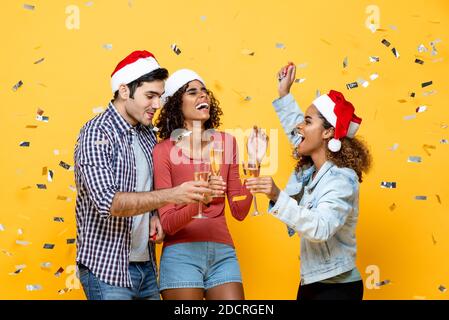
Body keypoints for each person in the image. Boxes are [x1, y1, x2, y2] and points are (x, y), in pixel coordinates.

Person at [74, 51, 211, 300]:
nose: (157, 105)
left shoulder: (148, 133)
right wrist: (171, 196)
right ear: (125, 91)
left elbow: (160, 174)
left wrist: (156, 215)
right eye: (150, 96)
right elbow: (109, 202)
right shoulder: (96, 133)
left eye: (159, 96)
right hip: (107, 270)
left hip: (146, 266)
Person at [246, 63, 372, 300]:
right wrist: (284, 94)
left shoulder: (341, 178)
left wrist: (277, 196)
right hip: (311, 280)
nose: (299, 127)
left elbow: (321, 227)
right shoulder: (311, 169)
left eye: (307, 121)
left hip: (338, 288)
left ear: (327, 133)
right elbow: (299, 133)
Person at [153, 69, 254, 300]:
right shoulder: (163, 151)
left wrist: (254, 167)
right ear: (176, 104)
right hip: (181, 255)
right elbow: (167, 223)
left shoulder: (227, 143)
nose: (203, 96)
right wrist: (201, 200)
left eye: (205, 91)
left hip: (222, 253)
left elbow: (239, 211)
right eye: (193, 92)